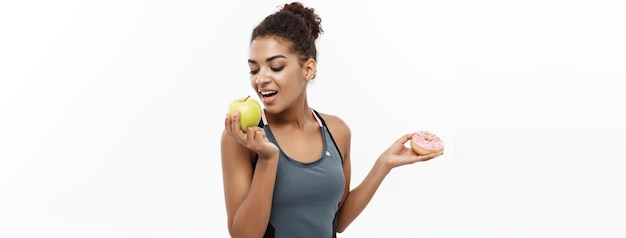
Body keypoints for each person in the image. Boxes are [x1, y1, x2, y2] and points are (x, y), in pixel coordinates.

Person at [221, 2, 441, 237]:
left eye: (275, 67)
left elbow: (337, 222)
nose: (261, 79)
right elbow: (243, 235)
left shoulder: (336, 131)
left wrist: (382, 165)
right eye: (254, 70)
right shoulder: (244, 135)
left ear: (308, 69)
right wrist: (267, 158)